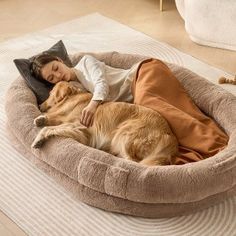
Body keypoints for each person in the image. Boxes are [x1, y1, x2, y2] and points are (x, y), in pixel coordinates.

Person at [31, 53, 228, 165]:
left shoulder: (85, 62)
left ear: (60, 60)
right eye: (51, 78)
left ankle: (219, 146)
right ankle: (207, 146)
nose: (58, 75)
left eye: (56, 68)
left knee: (168, 114)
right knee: (171, 118)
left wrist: (92, 106)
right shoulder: (76, 89)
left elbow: (101, 84)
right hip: (137, 99)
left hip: (142, 74)